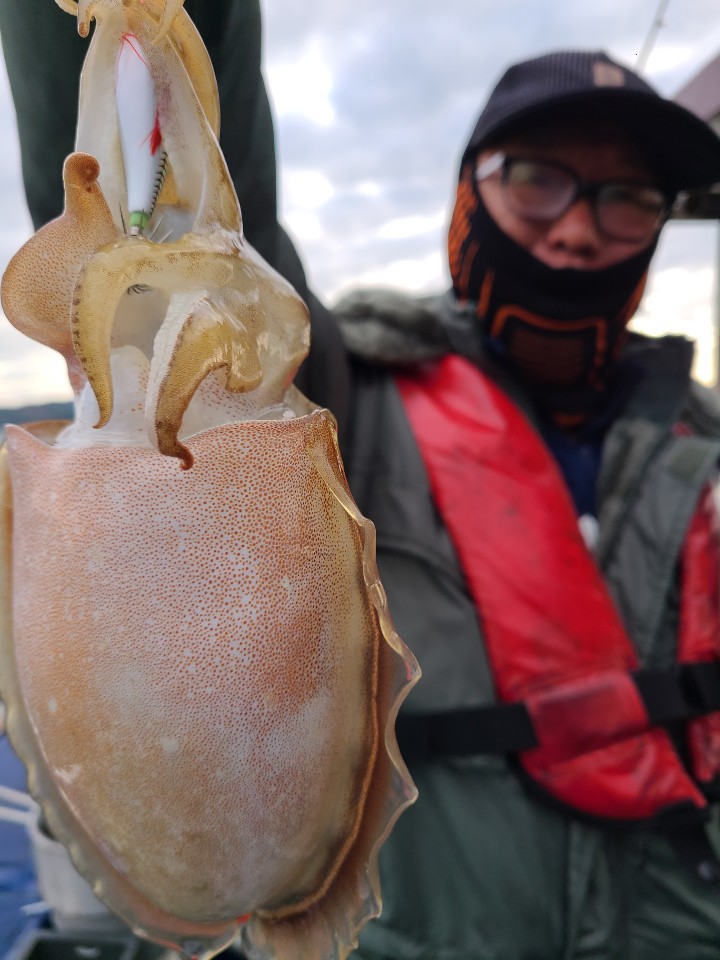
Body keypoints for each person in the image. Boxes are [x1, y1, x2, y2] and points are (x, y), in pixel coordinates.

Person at [4, 5, 720, 959]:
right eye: (538, 180)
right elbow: (180, 246)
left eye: (629, 197)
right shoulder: (352, 389)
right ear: (469, 193)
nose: (579, 230)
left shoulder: (703, 438)